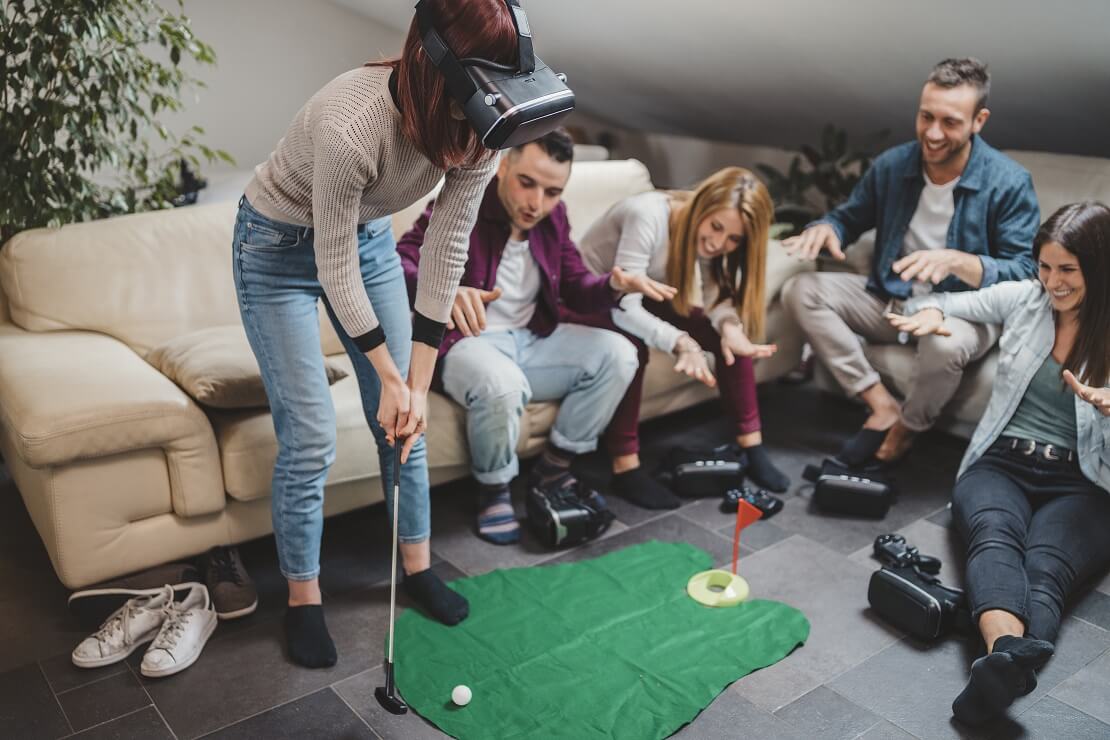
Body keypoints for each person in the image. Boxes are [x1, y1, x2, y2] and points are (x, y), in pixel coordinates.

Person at [232, 0, 518, 668]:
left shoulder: (487, 124)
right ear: (435, 64)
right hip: (275, 249)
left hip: (365, 242)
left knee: (404, 426)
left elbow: (447, 247)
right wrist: (389, 375)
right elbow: (332, 267)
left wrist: (414, 386)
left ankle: (417, 568)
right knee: (310, 437)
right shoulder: (352, 123)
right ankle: (303, 597)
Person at [890, 202, 1110, 726]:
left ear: (1099, 268)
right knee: (993, 535)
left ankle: (997, 668)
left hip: (1084, 479)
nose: (1051, 282)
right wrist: (934, 313)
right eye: (1044, 266)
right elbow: (950, 298)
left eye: (1067, 270)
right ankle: (1007, 657)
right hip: (1001, 463)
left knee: (1046, 567)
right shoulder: (1025, 299)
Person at [397, 128, 674, 544]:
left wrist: (614, 284)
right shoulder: (462, 202)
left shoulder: (553, 218)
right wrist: (443, 292)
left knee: (622, 354)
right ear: (503, 165)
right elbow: (400, 260)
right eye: (527, 183)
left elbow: (578, 285)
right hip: (468, 342)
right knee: (502, 384)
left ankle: (554, 468)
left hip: (533, 338)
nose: (537, 204)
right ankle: (493, 489)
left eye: (552, 192)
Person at [781, 58, 1040, 465]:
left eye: (950, 122)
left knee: (944, 342)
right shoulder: (893, 165)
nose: (933, 134)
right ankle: (881, 405)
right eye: (926, 117)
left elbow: (1026, 272)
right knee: (801, 290)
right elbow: (849, 217)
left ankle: (909, 426)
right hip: (893, 298)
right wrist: (829, 227)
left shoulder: (1009, 182)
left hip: (966, 311)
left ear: (979, 120)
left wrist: (959, 261)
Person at [573, 166, 790, 509]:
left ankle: (751, 445)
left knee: (728, 340)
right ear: (701, 206)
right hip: (589, 298)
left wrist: (731, 330)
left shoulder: (707, 241)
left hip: (641, 297)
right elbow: (625, 305)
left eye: (733, 239)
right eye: (716, 227)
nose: (718, 243)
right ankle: (625, 466)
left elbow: (716, 298)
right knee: (634, 348)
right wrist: (680, 342)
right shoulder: (647, 216)